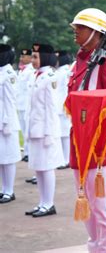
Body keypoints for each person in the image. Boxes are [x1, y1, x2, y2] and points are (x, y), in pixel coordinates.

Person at [69, 8, 106, 252]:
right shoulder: (79, 63)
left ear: (95, 32)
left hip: (100, 146)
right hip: (79, 145)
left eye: (80, 28)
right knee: (89, 214)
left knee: (104, 212)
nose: (75, 32)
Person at [24, 43, 62, 217]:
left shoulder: (50, 77)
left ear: (45, 57)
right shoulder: (36, 76)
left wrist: (49, 134)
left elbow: (51, 108)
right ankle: (42, 202)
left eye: (35, 57)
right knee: (38, 168)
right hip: (35, 128)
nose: (32, 60)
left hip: (46, 130)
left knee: (46, 168)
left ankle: (49, 204)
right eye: (32, 56)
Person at [0, 44, 21, 204]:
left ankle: (10, 191)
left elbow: (10, 99)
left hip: (7, 121)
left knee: (8, 157)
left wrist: (6, 122)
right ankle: (3, 189)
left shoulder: (8, 73)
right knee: (2, 157)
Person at [17, 48, 35, 164]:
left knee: (28, 130)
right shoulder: (21, 70)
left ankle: (29, 153)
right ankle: (27, 152)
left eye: (24, 57)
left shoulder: (31, 70)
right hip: (20, 103)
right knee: (24, 130)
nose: (21, 58)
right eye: (21, 56)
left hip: (27, 104)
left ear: (29, 57)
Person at [55, 50, 73, 170]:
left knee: (65, 134)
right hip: (59, 105)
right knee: (61, 134)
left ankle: (67, 159)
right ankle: (63, 158)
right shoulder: (60, 71)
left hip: (63, 105)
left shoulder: (66, 71)